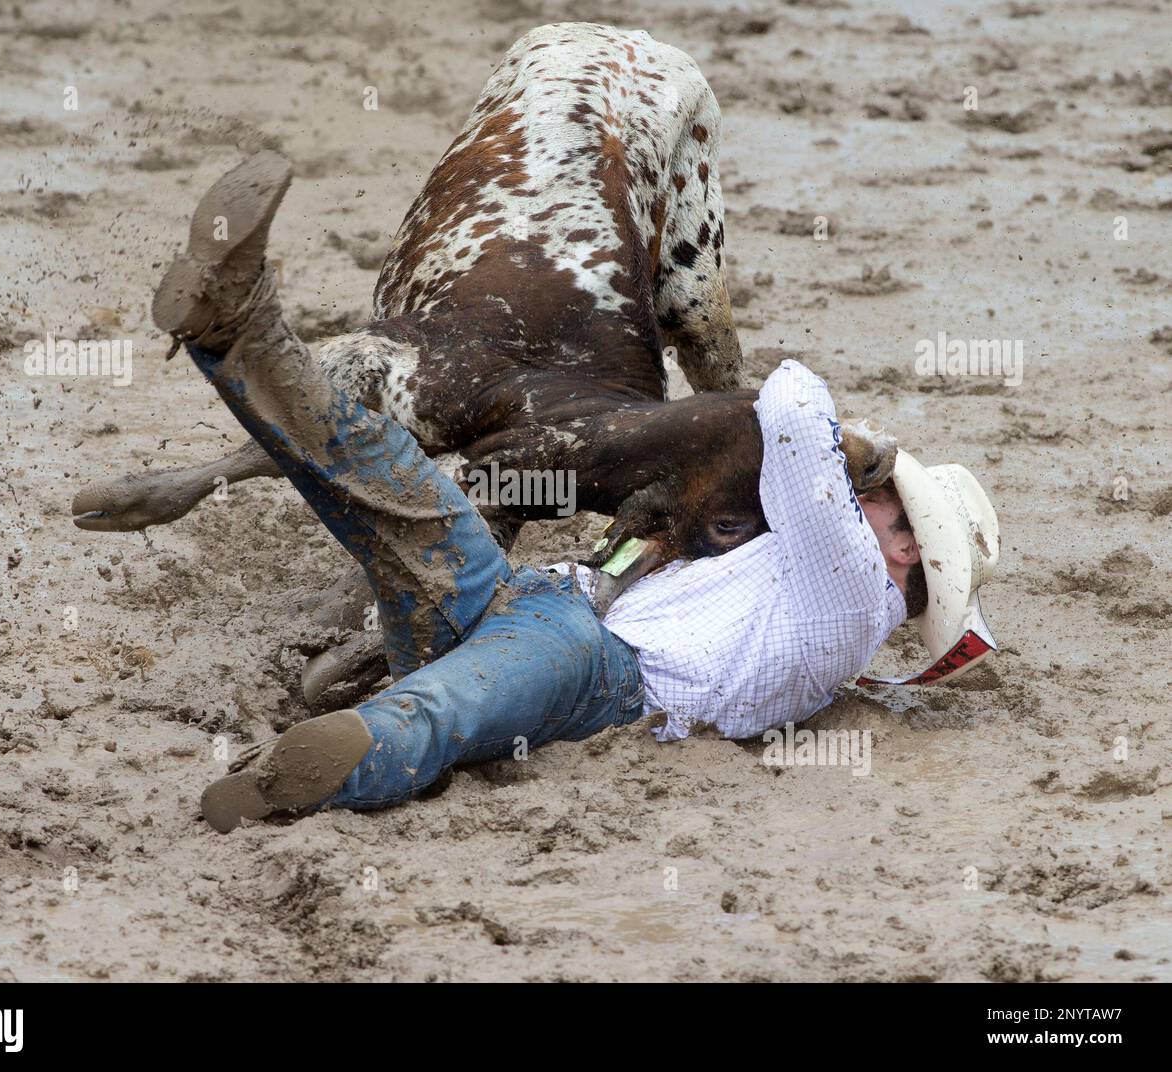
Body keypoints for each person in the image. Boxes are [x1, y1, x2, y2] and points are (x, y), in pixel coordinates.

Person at [147, 154, 1000, 833]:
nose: (872, 495)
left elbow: (788, 405)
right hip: (544, 612)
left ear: (904, 549)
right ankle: (237, 324)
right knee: (387, 483)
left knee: (436, 695)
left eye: (888, 499)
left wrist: (865, 449)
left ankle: (285, 780)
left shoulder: (850, 578)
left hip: (592, 660)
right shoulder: (838, 632)